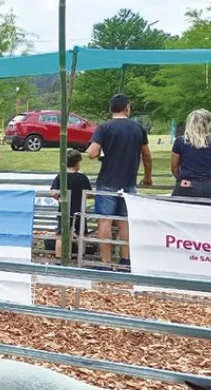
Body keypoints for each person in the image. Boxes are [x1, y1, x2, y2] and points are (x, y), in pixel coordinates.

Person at [85, 94, 152, 268]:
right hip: (129, 181)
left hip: (107, 180)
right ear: (127, 108)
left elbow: (92, 153)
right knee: (124, 220)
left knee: (105, 220)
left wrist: (102, 153)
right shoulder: (138, 128)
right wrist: (147, 176)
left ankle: (106, 262)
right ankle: (126, 259)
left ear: (110, 109)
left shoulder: (104, 127)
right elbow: (147, 155)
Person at [170, 109, 211, 201]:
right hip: (208, 185)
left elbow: (174, 167)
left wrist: (181, 177)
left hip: (186, 184)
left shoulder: (180, 141)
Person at [50, 149, 92, 258]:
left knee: (61, 234)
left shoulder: (61, 176)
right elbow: (89, 193)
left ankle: (59, 257)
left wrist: (59, 198)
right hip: (79, 209)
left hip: (64, 209)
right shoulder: (82, 178)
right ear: (78, 163)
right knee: (80, 234)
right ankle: (80, 256)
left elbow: (53, 192)